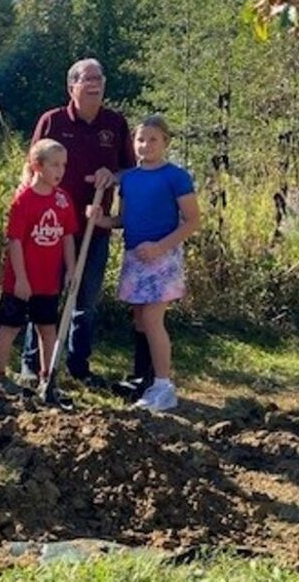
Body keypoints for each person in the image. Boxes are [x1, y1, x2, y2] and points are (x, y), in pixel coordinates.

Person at [20, 58, 135, 391]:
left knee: (86, 301)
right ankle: (33, 365)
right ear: (72, 86)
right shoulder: (53, 121)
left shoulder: (115, 124)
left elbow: (130, 170)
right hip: (51, 229)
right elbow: (29, 168)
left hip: (93, 227)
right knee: (45, 296)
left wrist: (111, 175)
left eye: (99, 78)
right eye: (87, 79)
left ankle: (78, 365)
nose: (95, 83)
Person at [86, 115, 200, 411]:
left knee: (152, 319)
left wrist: (160, 247)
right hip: (135, 255)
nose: (145, 145)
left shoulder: (176, 176)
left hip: (163, 256)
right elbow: (123, 219)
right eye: (140, 139)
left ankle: (164, 385)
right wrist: (101, 220)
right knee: (139, 319)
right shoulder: (130, 179)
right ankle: (144, 379)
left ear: (165, 142)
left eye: (153, 139)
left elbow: (192, 221)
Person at [0, 139, 78, 388]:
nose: (60, 171)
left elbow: (68, 236)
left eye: (63, 165)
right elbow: (15, 241)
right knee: (10, 326)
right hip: (20, 280)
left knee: (47, 328)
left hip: (48, 280)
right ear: (37, 166)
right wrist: (20, 278)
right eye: (54, 165)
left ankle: (47, 378)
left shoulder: (63, 199)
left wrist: (71, 269)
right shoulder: (23, 200)